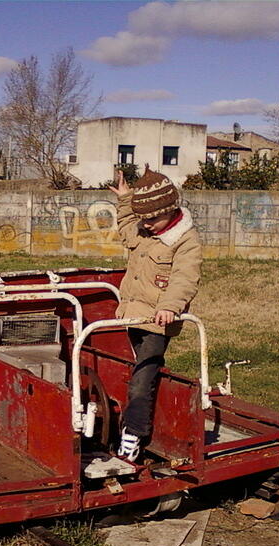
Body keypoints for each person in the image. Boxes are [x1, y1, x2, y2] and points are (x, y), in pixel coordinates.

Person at [108, 165, 202, 461]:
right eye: (143, 219)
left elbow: (185, 278)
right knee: (136, 368)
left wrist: (170, 306)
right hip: (132, 314)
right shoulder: (143, 228)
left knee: (142, 377)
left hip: (157, 321)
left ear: (169, 210)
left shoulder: (185, 240)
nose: (146, 225)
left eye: (151, 219)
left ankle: (133, 433)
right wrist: (125, 199)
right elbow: (127, 230)